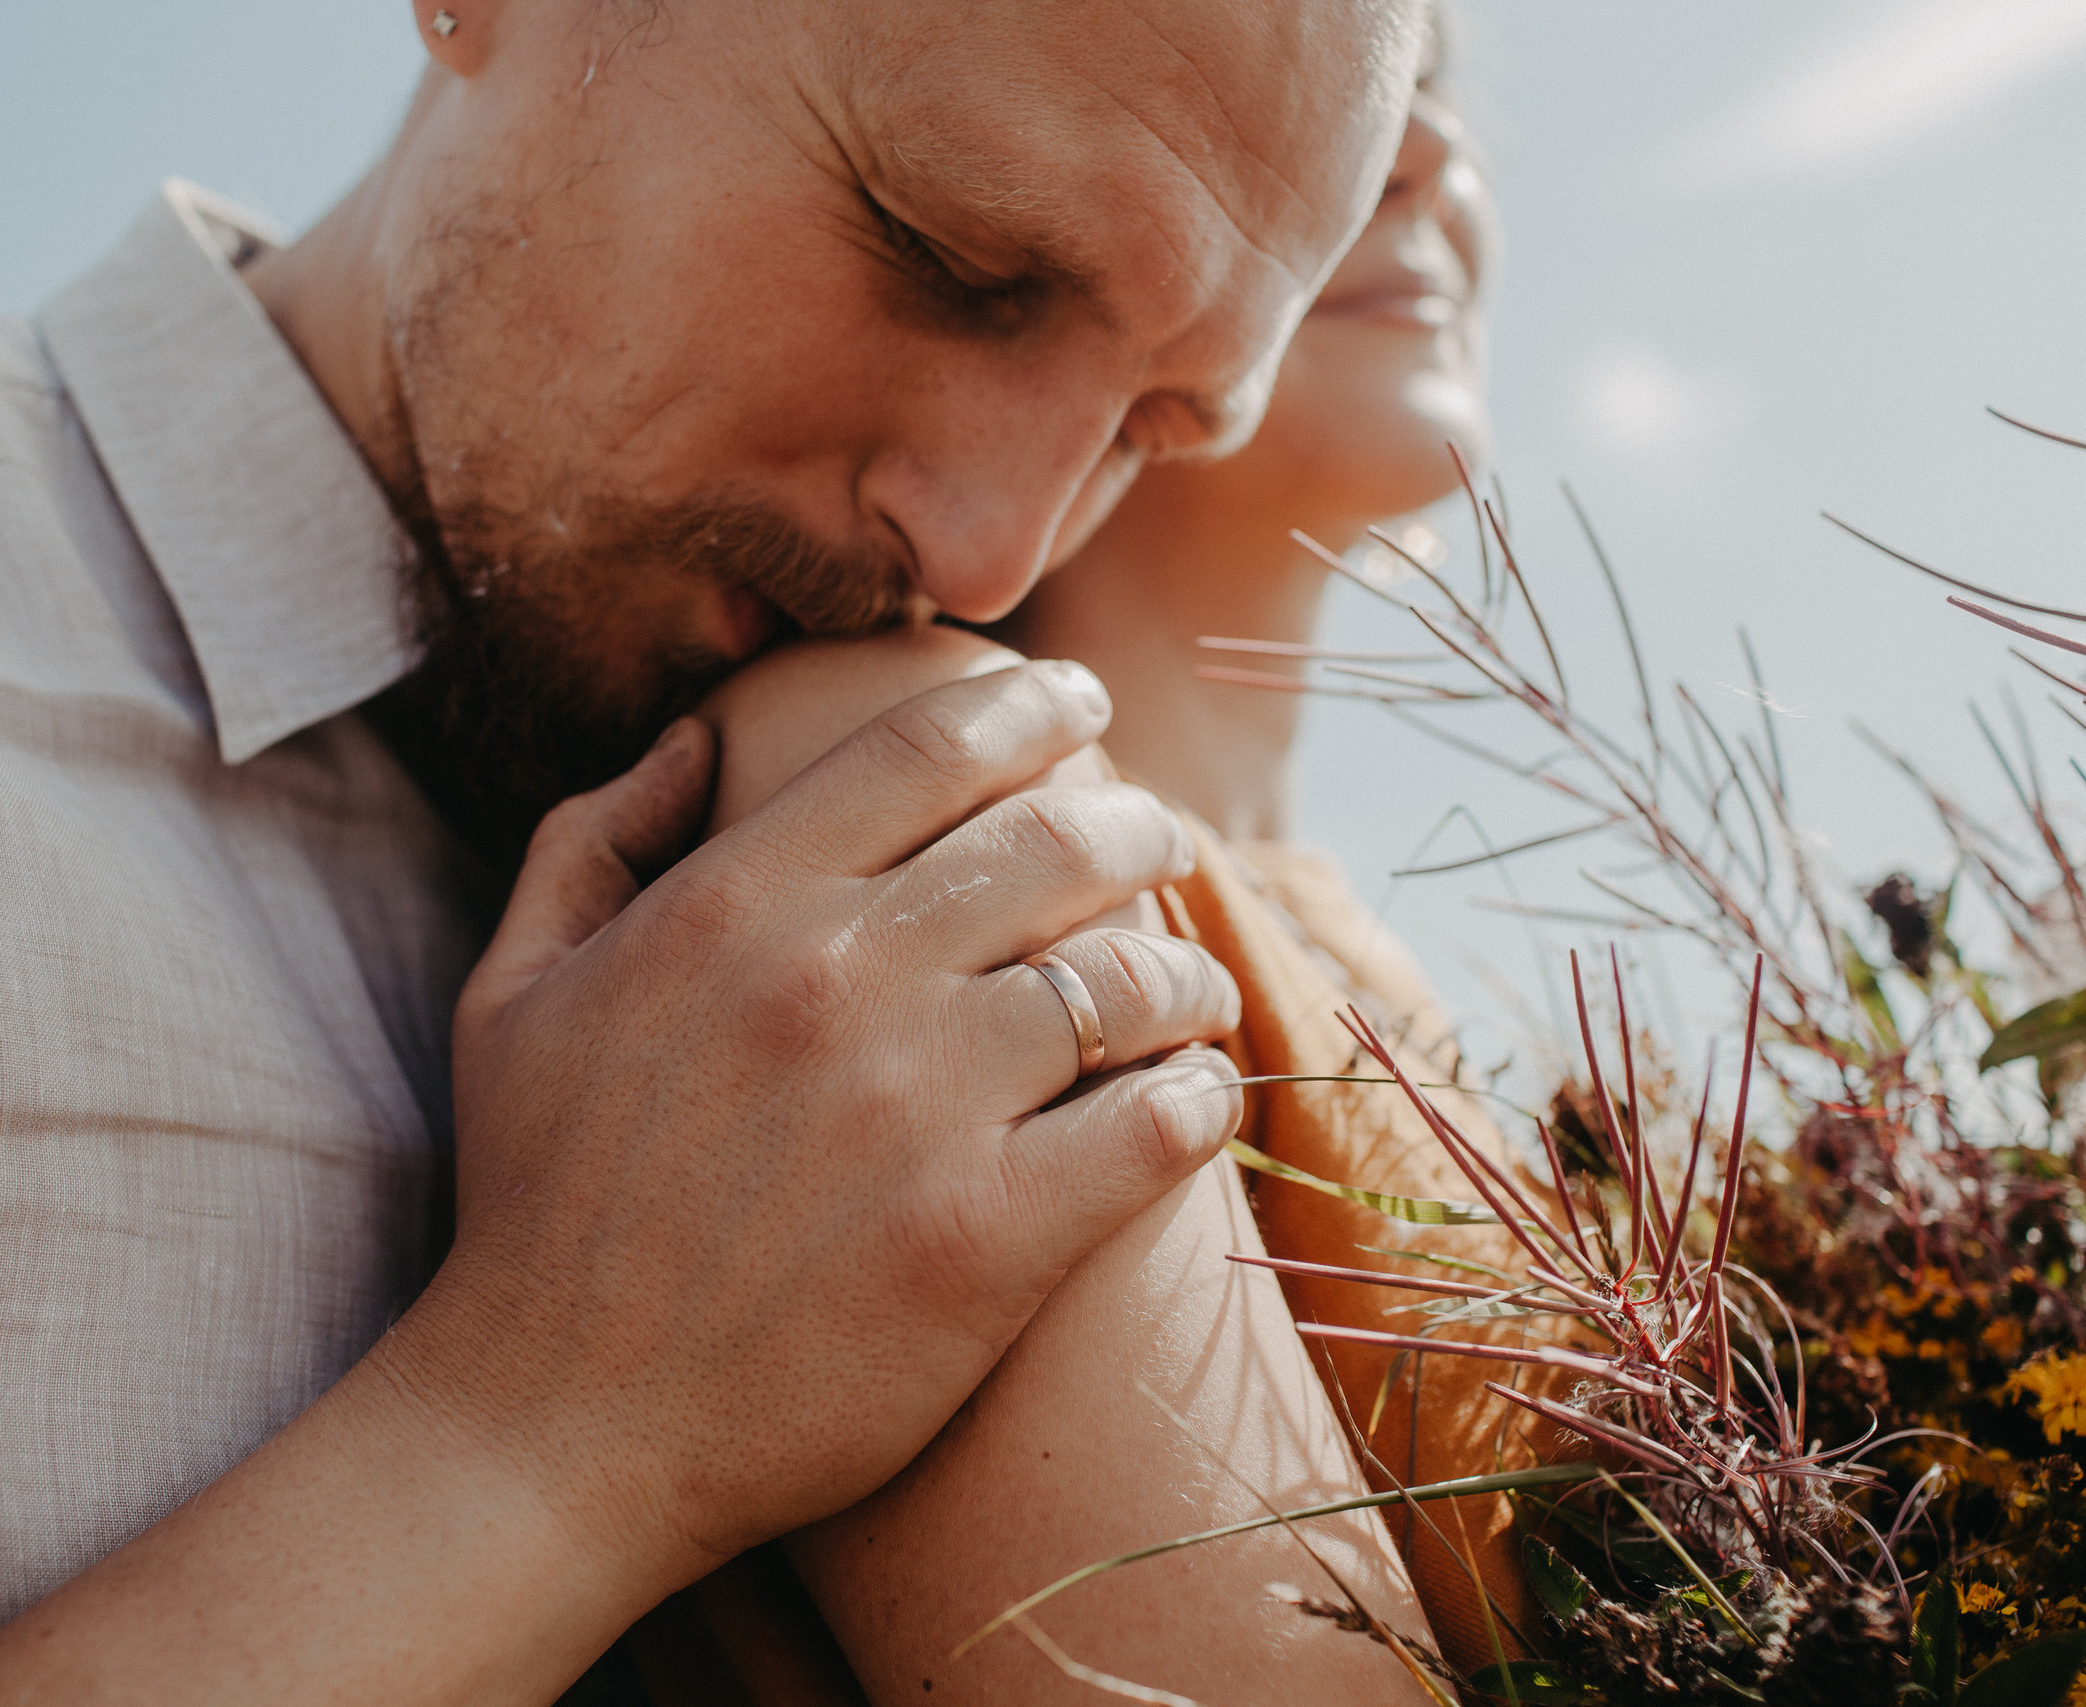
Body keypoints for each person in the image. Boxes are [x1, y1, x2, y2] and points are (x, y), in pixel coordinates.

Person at [0, 0, 1436, 1700]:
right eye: (953, 261)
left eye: (1151, 427)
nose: (987, 553)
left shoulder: (919, 826)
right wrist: (563, 1433)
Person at [650, 65, 1526, 1697]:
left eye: (1443, 80)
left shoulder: (1386, 970)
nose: (1423, 152)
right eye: (1347, 94)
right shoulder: (928, 813)